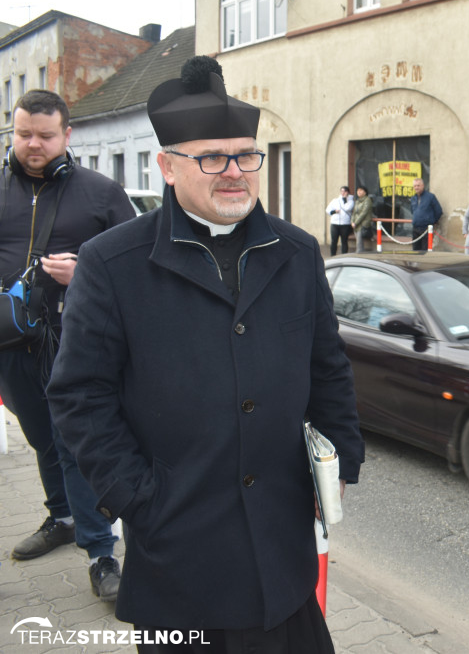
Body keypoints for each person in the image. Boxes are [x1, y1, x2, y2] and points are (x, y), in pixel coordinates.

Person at [46, 56, 364, 653]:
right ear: (167, 166)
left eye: (246, 155)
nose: (235, 172)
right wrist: (140, 500)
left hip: (282, 556)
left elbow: (328, 368)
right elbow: (79, 397)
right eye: (212, 158)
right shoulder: (111, 263)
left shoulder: (295, 252)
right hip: (178, 557)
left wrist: (340, 461)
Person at [0, 89, 135, 602]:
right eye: (24, 133)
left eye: (45, 135)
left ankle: (101, 552)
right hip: (11, 344)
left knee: (75, 444)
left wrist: (86, 276)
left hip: (75, 343)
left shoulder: (100, 193)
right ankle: (59, 517)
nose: (33, 144)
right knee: (41, 438)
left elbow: (138, 268)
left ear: (67, 135)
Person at [410, 177, 442, 251]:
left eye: (418, 185)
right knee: (415, 251)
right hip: (415, 229)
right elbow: (412, 211)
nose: (416, 187)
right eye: (415, 186)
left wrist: (431, 221)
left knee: (425, 252)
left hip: (426, 230)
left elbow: (439, 211)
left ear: (423, 186)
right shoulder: (413, 198)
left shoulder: (430, 197)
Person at [326, 185, 354, 255]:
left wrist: (345, 200)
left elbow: (347, 208)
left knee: (344, 241)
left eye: (345, 191)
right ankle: (332, 255)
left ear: (348, 192)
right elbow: (328, 210)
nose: (343, 192)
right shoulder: (335, 200)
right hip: (335, 223)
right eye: (341, 191)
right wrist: (334, 211)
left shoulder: (351, 201)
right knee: (334, 241)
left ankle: (344, 255)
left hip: (345, 224)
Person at [352, 185, 374, 253]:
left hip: (362, 224)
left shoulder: (367, 200)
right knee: (358, 242)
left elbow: (363, 213)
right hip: (356, 224)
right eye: (358, 190)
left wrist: (355, 222)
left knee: (359, 243)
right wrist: (352, 221)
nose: (359, 192)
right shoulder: (357, 201)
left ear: (365, 192)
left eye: (361, 190)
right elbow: (354, 212)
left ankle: (359, 255)